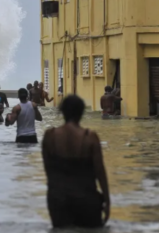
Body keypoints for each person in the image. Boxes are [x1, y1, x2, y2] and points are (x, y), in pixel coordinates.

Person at [42, 95, 110, 228]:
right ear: (81, 112)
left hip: (58, 199)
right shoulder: (90, 138)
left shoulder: (50, 136)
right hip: (86, 198)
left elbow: (48, 171)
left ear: (62, 112)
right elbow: (100, 172)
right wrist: (107, 201)